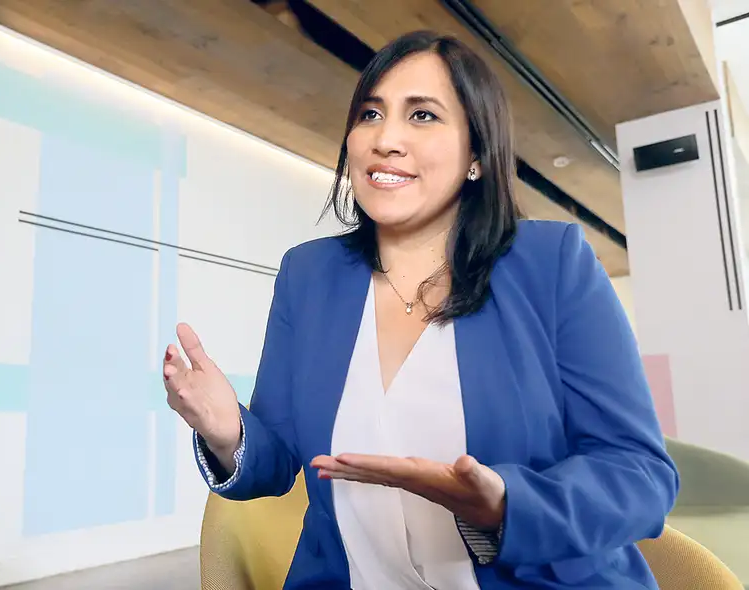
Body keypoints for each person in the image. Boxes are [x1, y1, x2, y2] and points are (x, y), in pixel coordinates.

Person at [162, 29, 678, 590]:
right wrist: (227, 431)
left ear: (476, 155)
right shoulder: (308, 276)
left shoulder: (552, 264)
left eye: (423, 116)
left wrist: (506, 505)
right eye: (370, 114)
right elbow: (279, 456)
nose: (386, 139)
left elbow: (640, 474)